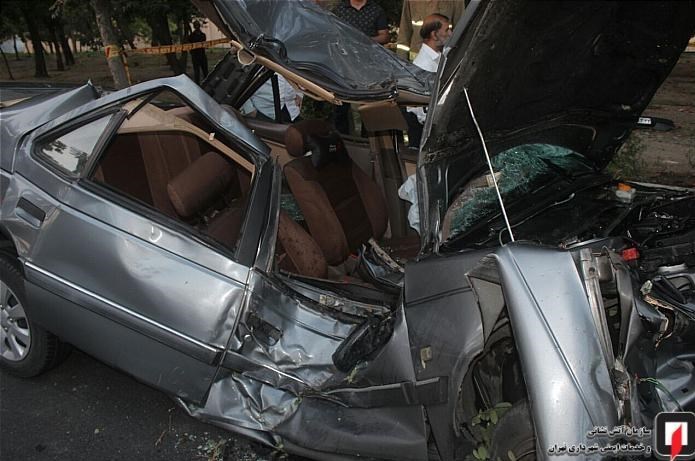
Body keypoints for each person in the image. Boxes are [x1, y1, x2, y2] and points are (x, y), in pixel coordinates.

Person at [333, 0, 390, 134]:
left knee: (368, 104)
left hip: (369, 65)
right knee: (341, 105)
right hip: (344, 64)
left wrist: (364, 40)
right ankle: (342, 138)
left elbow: (385, 36)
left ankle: (367, 140)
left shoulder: (376, 10)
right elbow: (332, 34)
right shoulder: (339, 10)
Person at [406, 14, 452, 145]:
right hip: (423, 131)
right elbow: (423, 111)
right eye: (446, 30)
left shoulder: (438, 57)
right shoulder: (424, 65)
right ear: (434, 35)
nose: (450, 33)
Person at [396, 0, 465, 61]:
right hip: (415, 62)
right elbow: (404, 34)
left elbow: (461, 34)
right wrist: (401, 63)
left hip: (442, 61)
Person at [188, 21, 208, 85]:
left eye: (198, 25)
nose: (197, 27)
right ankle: (197, 85)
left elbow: (204, 44)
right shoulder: (191, 36)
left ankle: (207, 83)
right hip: (195, 56)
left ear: (199, 26)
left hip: (202, 55)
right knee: (197, 72)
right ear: (194, 26)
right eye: (195, 25)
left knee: (205, 71)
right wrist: (192, 54)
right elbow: (190, 46)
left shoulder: (203, 35)